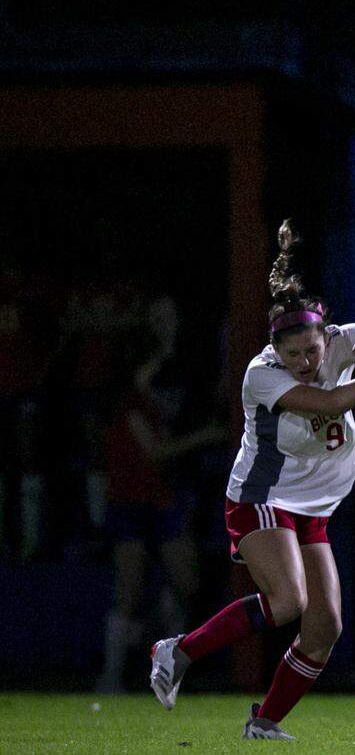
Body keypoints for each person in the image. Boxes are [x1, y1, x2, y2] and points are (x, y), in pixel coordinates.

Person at [148, 219, 355, 740]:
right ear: (275, 350)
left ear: (326, 337)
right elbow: (331, 402)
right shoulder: (262, 374)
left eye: (312, 352)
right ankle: (178, 650)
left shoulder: (342, 343)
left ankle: (263, 724)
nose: (304, 362)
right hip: (262, 496)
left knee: (324, 626)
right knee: (288, 603)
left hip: (312, 504)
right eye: (293, 355)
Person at [97, 297, 225, 693]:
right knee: (129, 588)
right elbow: (154, 452)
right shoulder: (129, 402)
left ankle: (164, 666)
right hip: (130, 501)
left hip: (164, 497)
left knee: (186, 583)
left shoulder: (163, 396)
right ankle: (112, 678)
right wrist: (206, 436)